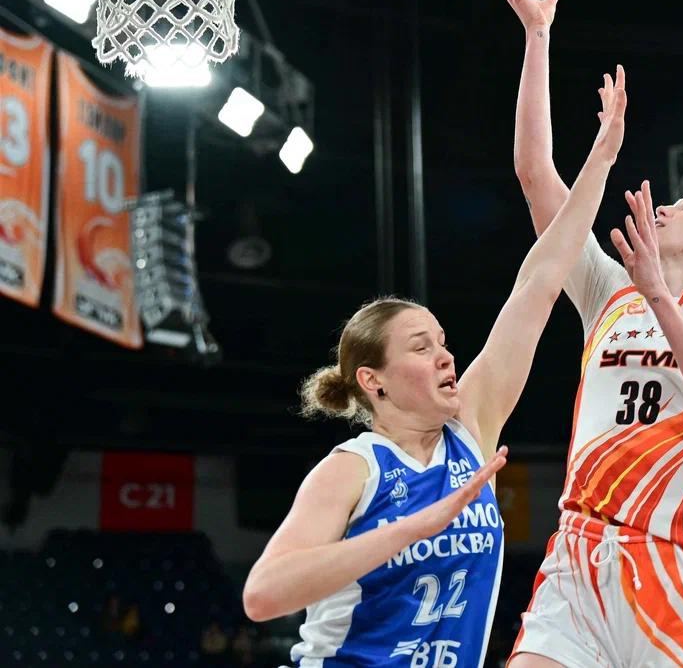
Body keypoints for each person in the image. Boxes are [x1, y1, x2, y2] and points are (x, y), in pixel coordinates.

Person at [240, 69, 629, 668]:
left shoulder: (471, 427)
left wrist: (599, 159)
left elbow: (541, 281)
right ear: (373, 380)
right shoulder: (352, 469)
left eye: (443, 342)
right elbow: (263, 595)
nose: (446, 356)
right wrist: (410, 528)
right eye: (421, 348)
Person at [481, 0, 683, 667]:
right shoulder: (607, 289)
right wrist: (536, 36)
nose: (670, 204)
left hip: (678, 564)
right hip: (580, 552)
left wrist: (660, 299)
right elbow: (534, 175)